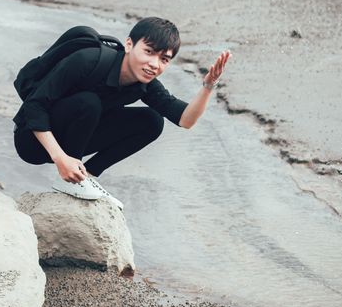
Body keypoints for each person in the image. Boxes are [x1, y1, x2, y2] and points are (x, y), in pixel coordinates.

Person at [13, 17, 230, 208]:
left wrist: (208, 85)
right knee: (89, 102)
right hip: (32, 140)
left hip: (71, 141)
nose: (154, 64)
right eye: (149, 52)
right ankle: (76, 181)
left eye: (164, 59)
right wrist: (60, 158)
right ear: (129, 44)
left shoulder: (145, 84)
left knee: (152, 121)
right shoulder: (88, 61)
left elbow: (186, 120)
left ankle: (86, 176)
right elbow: (34, 105)